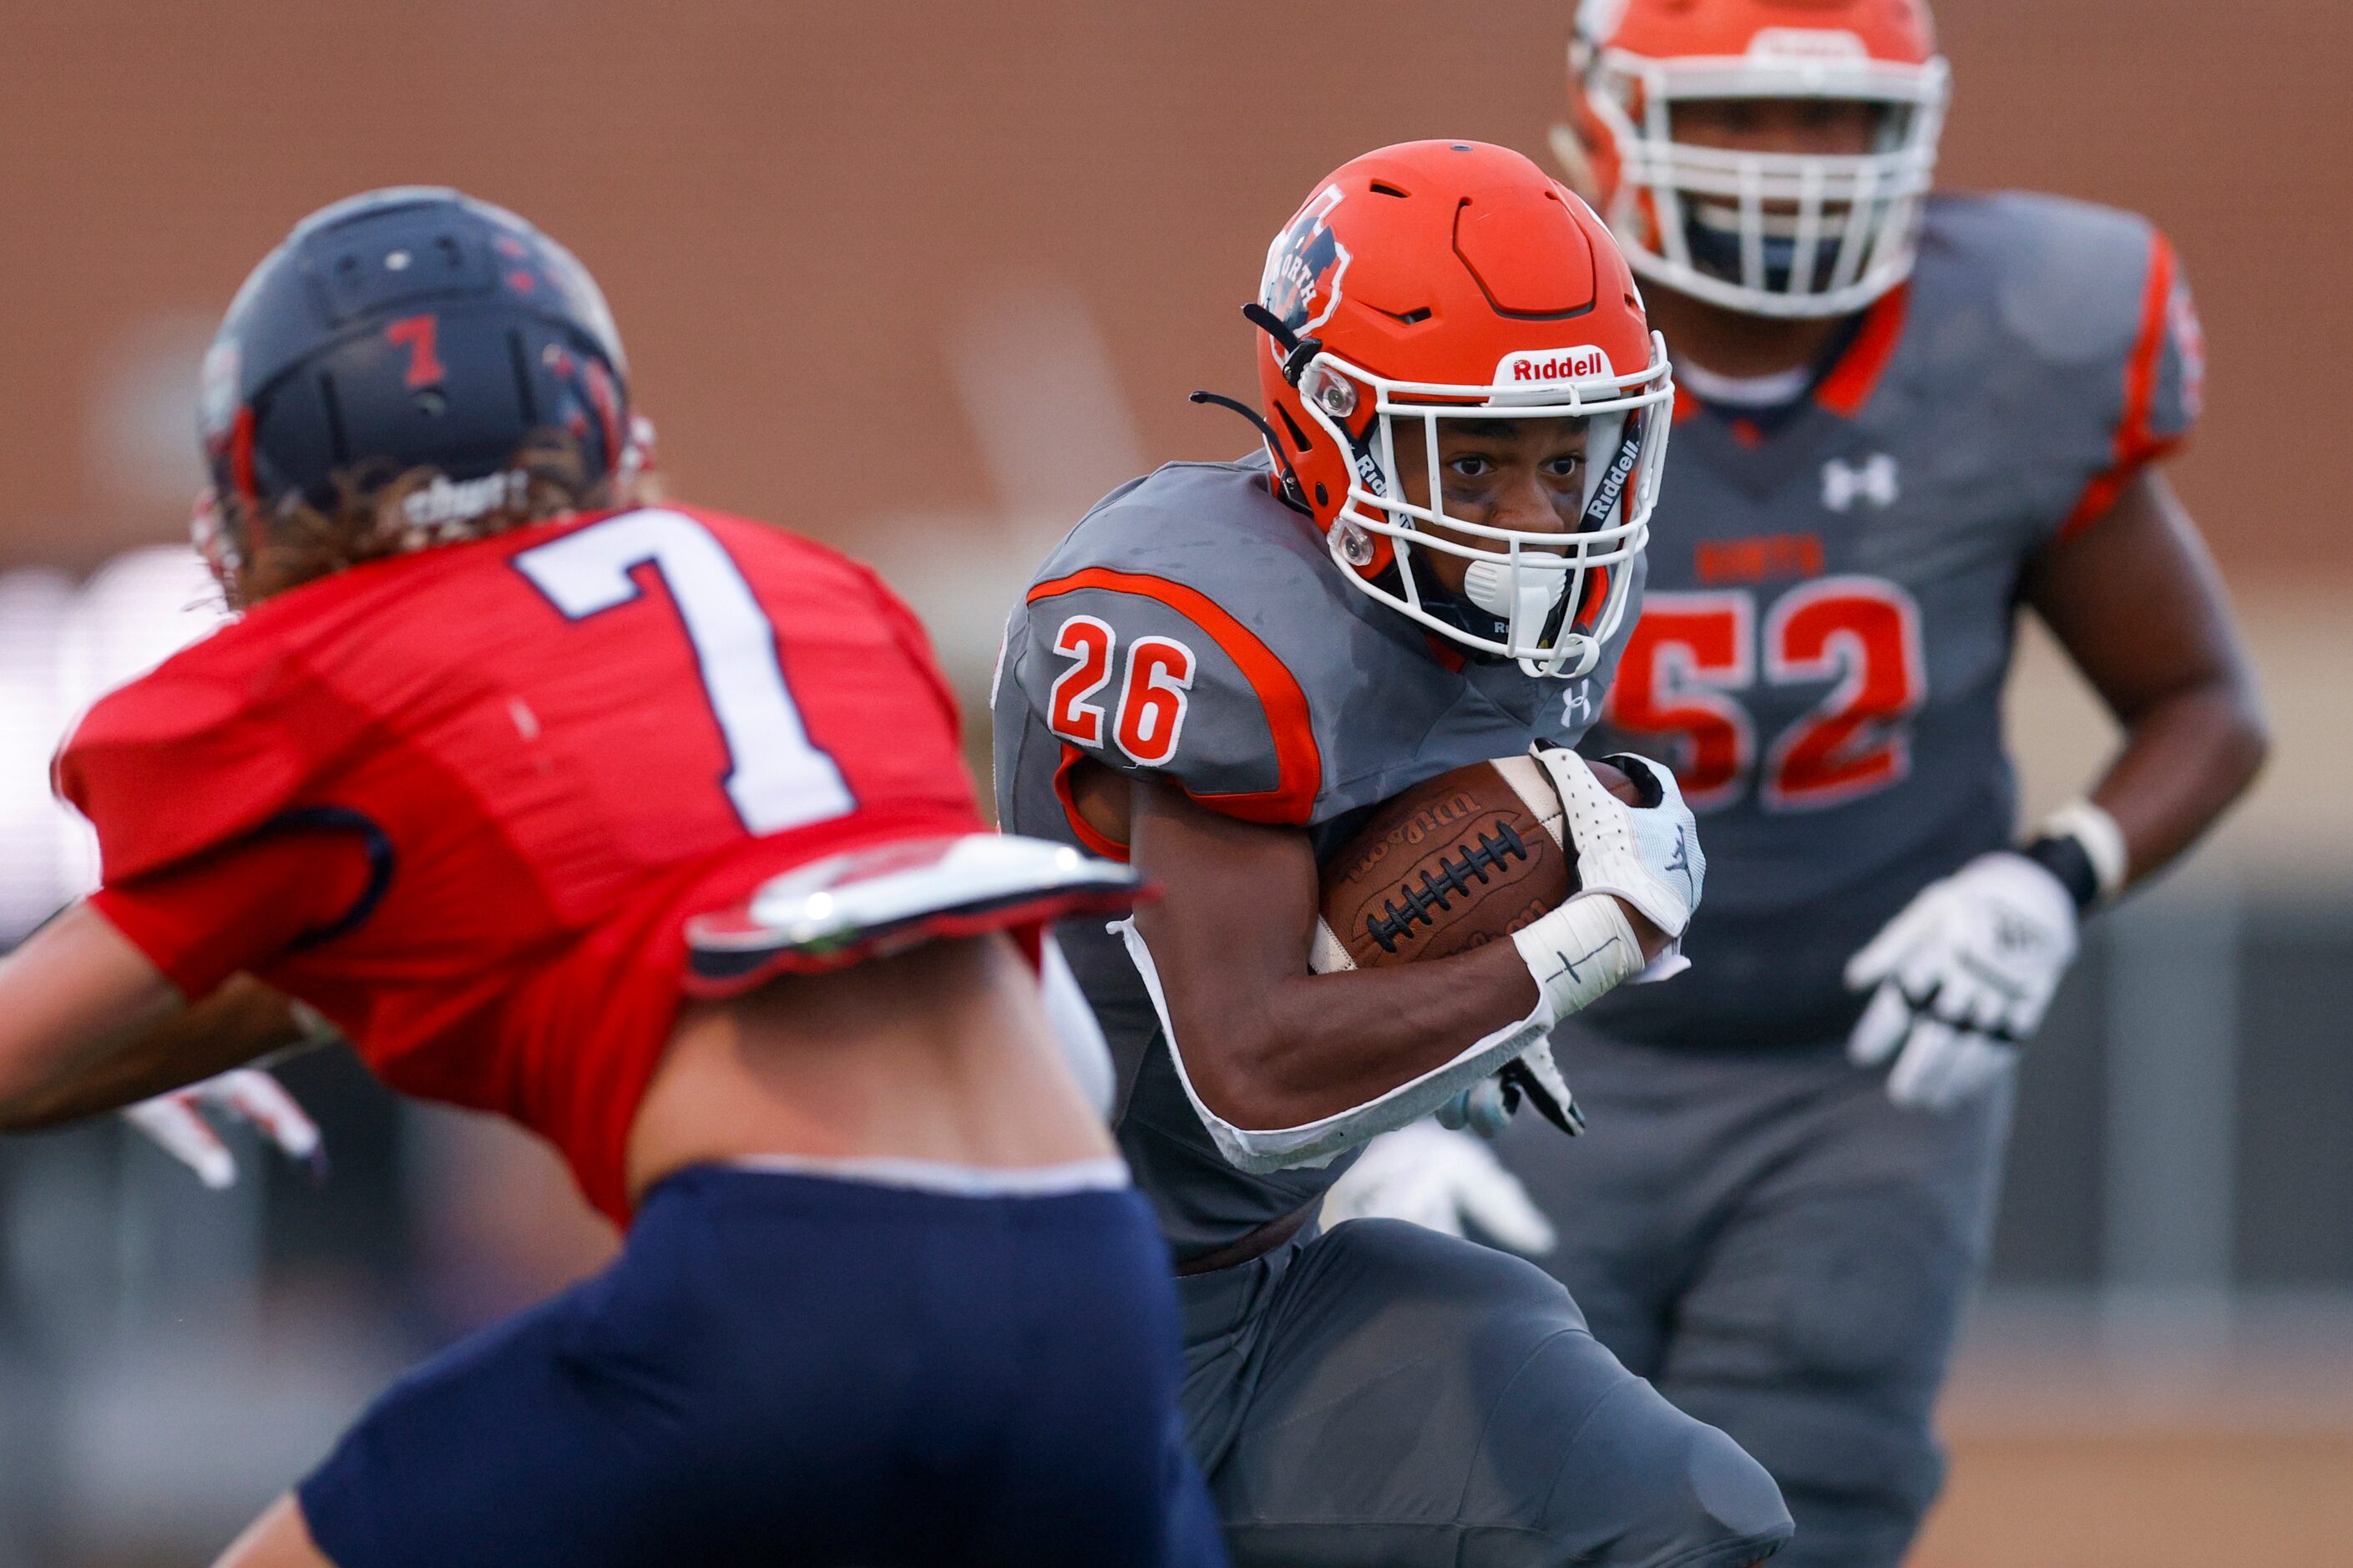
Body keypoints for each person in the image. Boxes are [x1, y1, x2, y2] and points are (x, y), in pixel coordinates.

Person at [0, 188, 1228, 1568]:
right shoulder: (810, 590)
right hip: (1090, 1281)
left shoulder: (342, 675)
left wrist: (160, 1033)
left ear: (269, 482)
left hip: (790, 1288)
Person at [1337, 5, 2269, 1565]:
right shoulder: (1498, 337)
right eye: (1741, 116)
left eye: (1837, 119)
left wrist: (2052, 876)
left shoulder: (2020, 341)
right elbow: (1356, 751)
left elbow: (2201, 702)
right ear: (1606, 113)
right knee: (1485, 1504)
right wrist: (1374, 1090)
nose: (1793, 168)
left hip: (1866, 1076)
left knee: (1807, 1511)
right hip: (1546, 1050)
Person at [993, 139, 1794, 1567]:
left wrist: (1446, 1051)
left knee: (1688, 1517)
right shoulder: (1208, 621)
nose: (1536, 520)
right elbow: (1250, 1077)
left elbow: (1375, 897)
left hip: (1265, 1284)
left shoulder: (1505, 601)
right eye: (1473, 459)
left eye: (1568, 458)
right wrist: (1578, 942)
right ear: (1330, 422)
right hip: (1055, 1330)